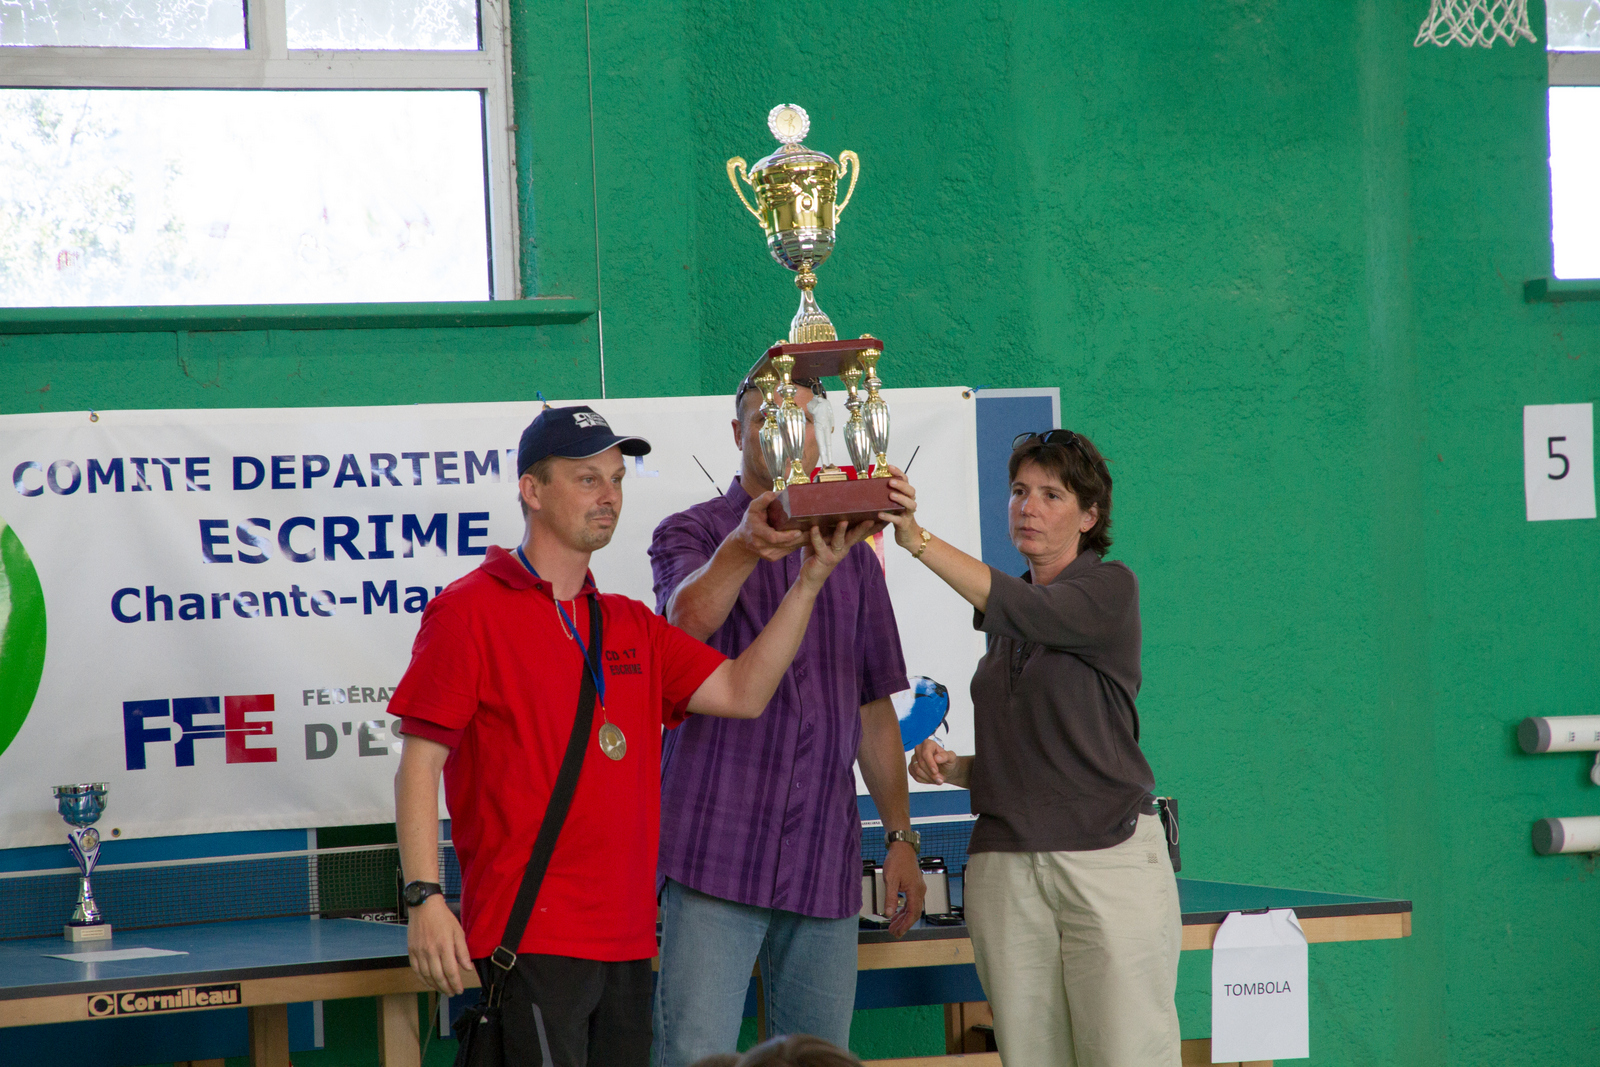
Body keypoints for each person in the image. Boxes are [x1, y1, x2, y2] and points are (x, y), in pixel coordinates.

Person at [391, 405, 859, 1067]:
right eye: (587, 479)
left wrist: (809, 581)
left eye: (615, 478)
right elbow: (418, 765)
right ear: (531, 490)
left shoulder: (628, 623)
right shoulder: (468, 610)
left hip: (630, 942)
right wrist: (424, 897)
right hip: (529, 938)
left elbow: (742, 691)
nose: (608, 494)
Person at [648, 375, 926, 1066]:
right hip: (714, 849)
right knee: (694, 1055)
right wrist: (746, 547)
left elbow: (873, 708)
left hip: (822, 859)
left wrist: (900, 836)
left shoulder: (854, 557)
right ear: (736, 433)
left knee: (821, 1058)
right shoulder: (691, 530)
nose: (787, 435)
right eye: (767, 420)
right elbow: (684, 623)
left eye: (802, 421)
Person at [884, 429, 1181, 1067]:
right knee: (1029, 1057)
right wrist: (954, 769)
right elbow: (1040, 757)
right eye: (1020, 491)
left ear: (1089, 516)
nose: (1029, 507)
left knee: (1127, 1054)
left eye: (1052, 495)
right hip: (1006, 864)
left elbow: (1017, 604)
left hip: (1105, 858)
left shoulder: (1110, 589)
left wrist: (914, 537)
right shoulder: (1007, 632)